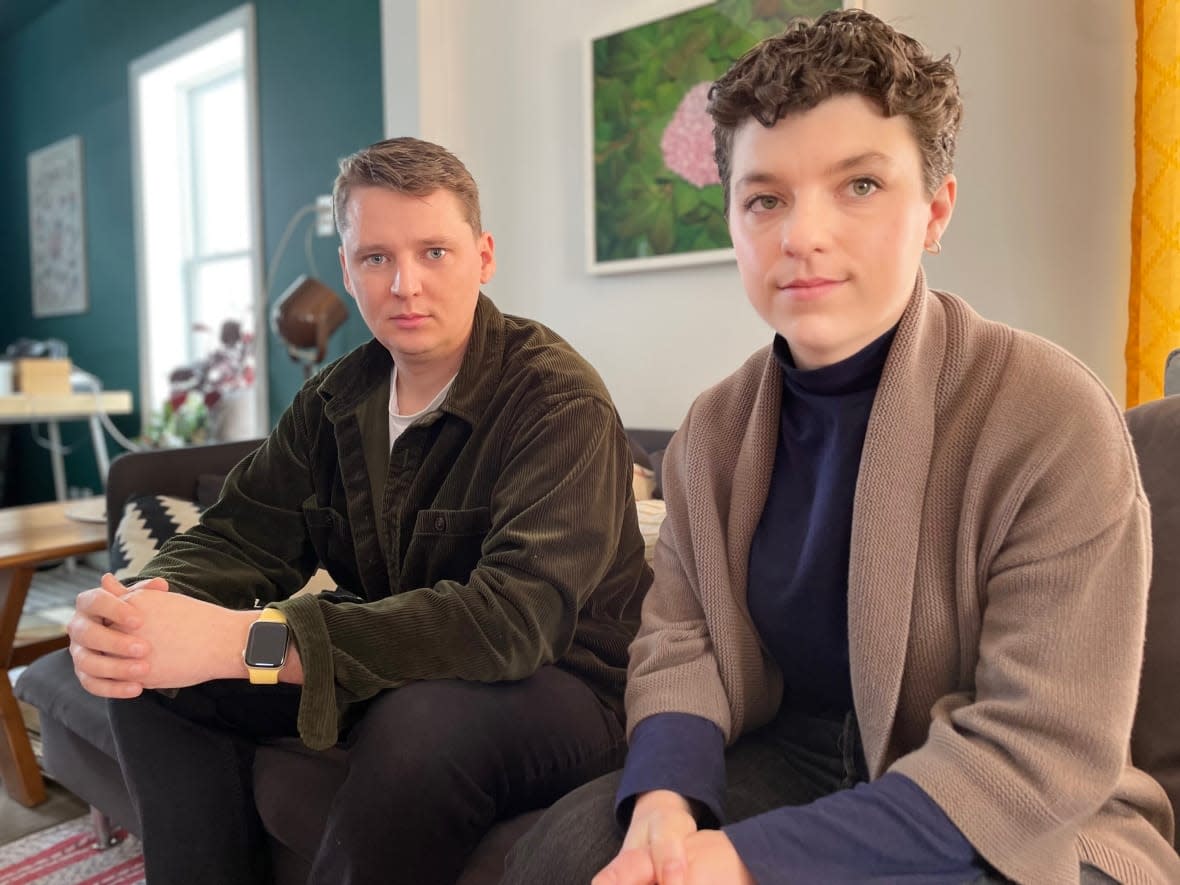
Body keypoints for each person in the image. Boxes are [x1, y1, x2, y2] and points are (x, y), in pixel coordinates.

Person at [503, 9, 1180, 884]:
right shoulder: (713, 429)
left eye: (859, 185)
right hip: (800, 754)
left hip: (1021, 809)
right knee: (562, 854)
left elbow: (1038, 747)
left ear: (936, 209)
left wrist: (748, 858)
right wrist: (664, 805)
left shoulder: (1049, 415)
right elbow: (682, 640)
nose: (801, 236)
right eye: (766, 198)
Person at [67, 136, 652, 885]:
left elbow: (512, 620)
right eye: (376, 257)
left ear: (484, 255)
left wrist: (247, 640)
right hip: (395, 657)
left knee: (421, 725)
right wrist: (147, 608)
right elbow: (242, 530)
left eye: (434, 252)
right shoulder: (335, 399)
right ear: (347, 269)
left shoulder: (556, 398)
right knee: (146, 668)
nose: (405, 284)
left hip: (568, 684)